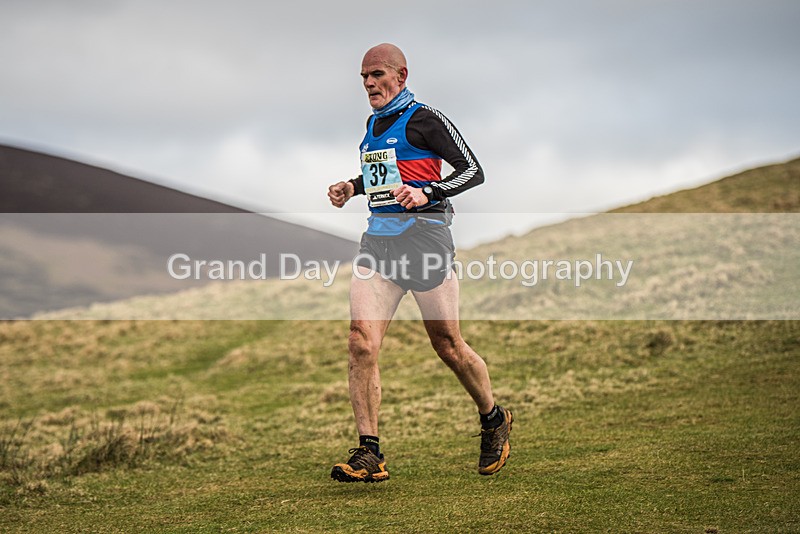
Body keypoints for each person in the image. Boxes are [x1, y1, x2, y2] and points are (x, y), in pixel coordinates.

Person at [327, 43, 512, 483]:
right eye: (364, 77)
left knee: (448, 345)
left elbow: (472, 171)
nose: (369, 83)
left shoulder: (426, 119)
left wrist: (429, 192)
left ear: (401, 75)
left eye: (377, 74)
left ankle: (493, 418)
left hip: (426, 241)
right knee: (360, 342)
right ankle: (369, 453)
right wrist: (352, 187)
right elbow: (386, 178)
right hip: (379, 245)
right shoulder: (372, 125)